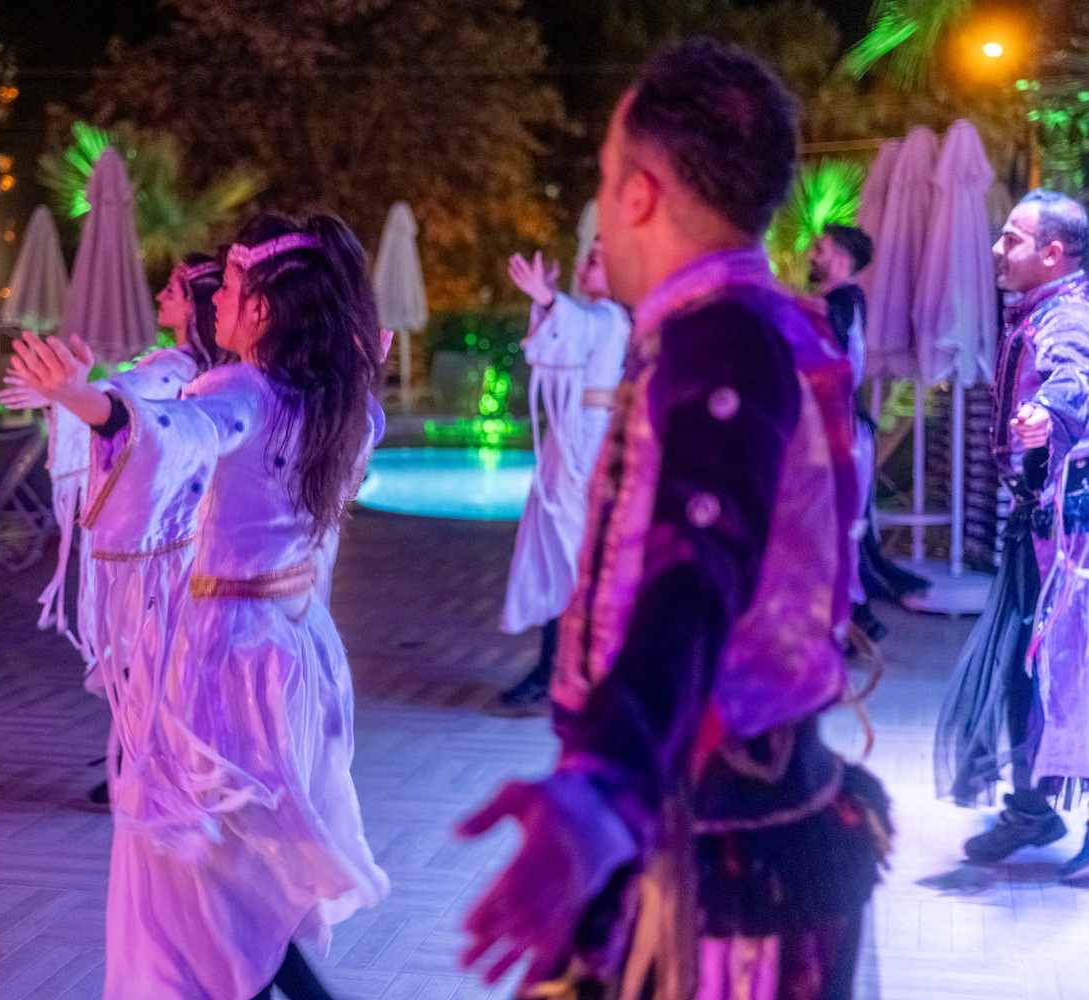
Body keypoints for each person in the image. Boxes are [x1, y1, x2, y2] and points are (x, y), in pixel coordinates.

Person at [458, 39, 889, 999]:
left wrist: (601, 792)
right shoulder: (756, 325)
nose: (602, 207)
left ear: (641, 192)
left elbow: (696, 570)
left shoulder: (723, 340)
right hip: (724, 802)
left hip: (716, 841)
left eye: (603, 178)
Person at [7, 212, 389, 1000]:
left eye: (232, 286)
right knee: (236, 861)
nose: (216, 297)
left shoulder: (241, 389)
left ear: (263, 309)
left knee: (198, 866)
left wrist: (90, 403)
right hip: (297, 645)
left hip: (227, 653)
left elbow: (178, 431)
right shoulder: (344, 404)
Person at [13, 252, 233, 812]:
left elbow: (121, 413)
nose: (161, 295)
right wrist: (71, 392)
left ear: (198, 305)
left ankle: (144, 772)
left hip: (160, 542)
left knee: (150, 653)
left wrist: (71, 394)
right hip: (191, 534)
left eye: (174, 289)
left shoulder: (175, 371)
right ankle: (146, 768)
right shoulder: (207, 374)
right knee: (169, 654)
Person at [934, 189, 1089, 880]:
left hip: (1073, 539)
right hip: (1039, 527)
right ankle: (1031, 810)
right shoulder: (1036, 309)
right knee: (1022, 673)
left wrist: (1048, 412)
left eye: (1012, 239)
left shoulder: (1068, 314)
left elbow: (1075, 375)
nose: (998, 249)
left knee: (1072, 674)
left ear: (1053, 253)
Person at [493, 237, 630, 716]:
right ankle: (562, 669)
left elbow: (580, 328)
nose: (584, 264)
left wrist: (549, 300)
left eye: (596, 258)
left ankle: (560, 670)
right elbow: (559, 341)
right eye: (586, 255)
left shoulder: (610, 317)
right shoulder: (596, 316)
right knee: (560, 555)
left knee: (570, 558)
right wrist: (548, 303)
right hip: (571, 440)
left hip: (584, 446)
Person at [808, 223, 927, 643]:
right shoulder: (845, 301)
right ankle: (852, 621)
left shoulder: (836, 306)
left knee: (835, 530)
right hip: (844, 429)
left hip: (837, 432)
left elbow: (829, 370)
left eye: (819, 249)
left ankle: (846, 623)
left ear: (842, 260)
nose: (811, 255)